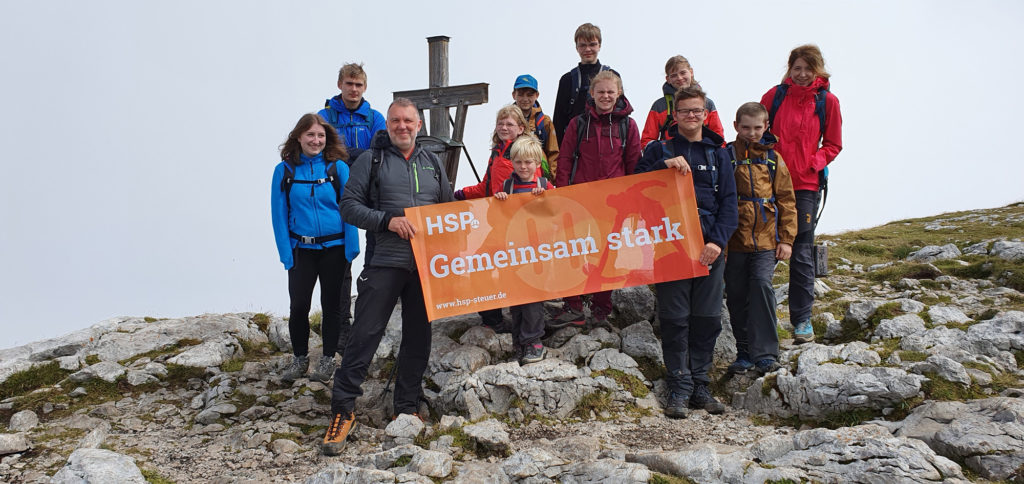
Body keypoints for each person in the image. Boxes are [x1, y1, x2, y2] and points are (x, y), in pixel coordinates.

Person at [322, 98, 454, 455]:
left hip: (425, 267)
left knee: (418, 338)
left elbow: (450, 210)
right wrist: (386, 220)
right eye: (396, 120)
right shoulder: (371, 160)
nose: (402, 127)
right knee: (364, 336)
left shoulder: (432, 163)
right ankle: (342, 411)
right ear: (388, 124)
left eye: (409, 121)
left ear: (419, 126)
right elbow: (348, 206)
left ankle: (406, 408)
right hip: (384, 262)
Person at [635, 85, 738, 418]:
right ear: (674, 115)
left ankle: (700, 384)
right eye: (685, 111)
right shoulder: (658, 150)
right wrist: (663, 165)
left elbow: (730, 205)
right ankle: (677, 386)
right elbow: (633, 188)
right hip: (670, 249)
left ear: (705, 114)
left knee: (707, 320)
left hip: (709, 251)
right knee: (675, 320)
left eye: (697, 111)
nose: (691, 116)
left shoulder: (719, 153)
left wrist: (717, 242)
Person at [759, 44, 843, 344]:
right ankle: (755, 313)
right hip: (769, 182)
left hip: (806, 185)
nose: (803, 73)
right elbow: (757, 131)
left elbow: (833, 143)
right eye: (798, 68)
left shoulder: (827, 101)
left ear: (818, 69)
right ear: (790, 69)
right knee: (764, 243)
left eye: (809, 68)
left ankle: (802, 321)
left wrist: (814, 163)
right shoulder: (775, 95)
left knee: (802, 251)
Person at [271, 114, 360, 384]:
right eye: (310, 135)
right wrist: (286, 254)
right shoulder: (284, 170)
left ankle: (328, 358)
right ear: (299, 137)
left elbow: (350, 208)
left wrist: (351, 248)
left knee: (332, 305)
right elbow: (278, 214)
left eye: (320, 136)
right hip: (301, 249)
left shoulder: (338, 168)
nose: (316, 140)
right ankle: (300, 358)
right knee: (299, 305)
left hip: (336, 248)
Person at [551, 70, 640, 328]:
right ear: (591, 94)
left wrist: (633, 203)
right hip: (579, 200)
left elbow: (634, 164)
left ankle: (601, 310)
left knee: (608, 256)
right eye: (600, 91)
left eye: (611, 92)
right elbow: (564, 160)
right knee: (574, 253)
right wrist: (563, 195)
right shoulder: (577, 124)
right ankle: (574, 306)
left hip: (613, 204)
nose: (605, 96)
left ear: (619, 93)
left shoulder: (628, 126)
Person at [318, 63, 387, 356]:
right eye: (349, 84)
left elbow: (383, 150)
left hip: (371, 191)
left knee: (374, 257)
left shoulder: (375, 116)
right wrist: (361, 155)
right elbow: (323, 150)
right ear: (339, 85)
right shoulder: (324, 117)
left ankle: (367, 321)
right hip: (335, 193)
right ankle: (341, 327)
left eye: (358, 85)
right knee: (341, 260)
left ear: (365, 87)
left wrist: (348, 154)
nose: (353, 90)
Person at [723, 103, 797, 375]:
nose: (752, 133)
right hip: (734, 240)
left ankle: (766, 354)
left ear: (766, 126)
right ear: (735, 126)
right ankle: (744, 353)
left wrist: (787, 239)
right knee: (737, 295)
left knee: (762, 287)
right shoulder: (726, 156)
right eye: (746, 127)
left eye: (757, 127)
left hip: (767, 240)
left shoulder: (774, 159)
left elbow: (787, 200)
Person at [454, 106, 541, 330]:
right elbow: (486, 186)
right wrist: (459, 194)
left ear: (521, 128)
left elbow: (534, 188)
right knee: (480, 265)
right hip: (499, 223)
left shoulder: (525, 154)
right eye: (501, 123)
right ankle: (494, 320)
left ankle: (525, 328)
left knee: (514, 273)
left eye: (509, 124)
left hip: (519, 227)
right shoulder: (497, 152)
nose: (504, 127)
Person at [493, 135, 553, 365]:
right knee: (517, 298)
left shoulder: (545, 185)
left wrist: (545, 200)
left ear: (537, 163)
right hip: (513, 252)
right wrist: (498, 200)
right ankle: (519, 341)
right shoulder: (507, 186)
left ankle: (535, 341)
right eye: (518, 162)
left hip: (538, 251)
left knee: (533, 299)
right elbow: (495, 216)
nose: (524, 167)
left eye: (528, 162)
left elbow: (557, 213)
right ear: (512, 162)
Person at [639, 55, 724, 150]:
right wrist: (661, 155)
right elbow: (646, 141)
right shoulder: (660, 106)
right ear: (668, 79)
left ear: (691, 72)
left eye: (683, 73)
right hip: (671, 160)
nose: (679, 78)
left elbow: (719, 138)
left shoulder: (707, 103)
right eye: (674, 75)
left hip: (702, 159)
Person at [552, 22, 620, 141]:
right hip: (575, 145)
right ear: (577, 47)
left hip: (608, 143)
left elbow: (621, 112)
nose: (587, 49)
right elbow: (559, 121)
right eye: (583, 45)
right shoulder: (567, 80)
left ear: (599, 45)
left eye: (592, 44)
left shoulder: (613, 76)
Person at [512, 74, 559, 179]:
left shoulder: (544, 122)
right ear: (513, 95)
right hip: (512, 178)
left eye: (529, 95)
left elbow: (553, 153)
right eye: (521, 94)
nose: (525, 99)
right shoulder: (507, 121)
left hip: (538, 180)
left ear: (537, 95)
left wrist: (551, 180)